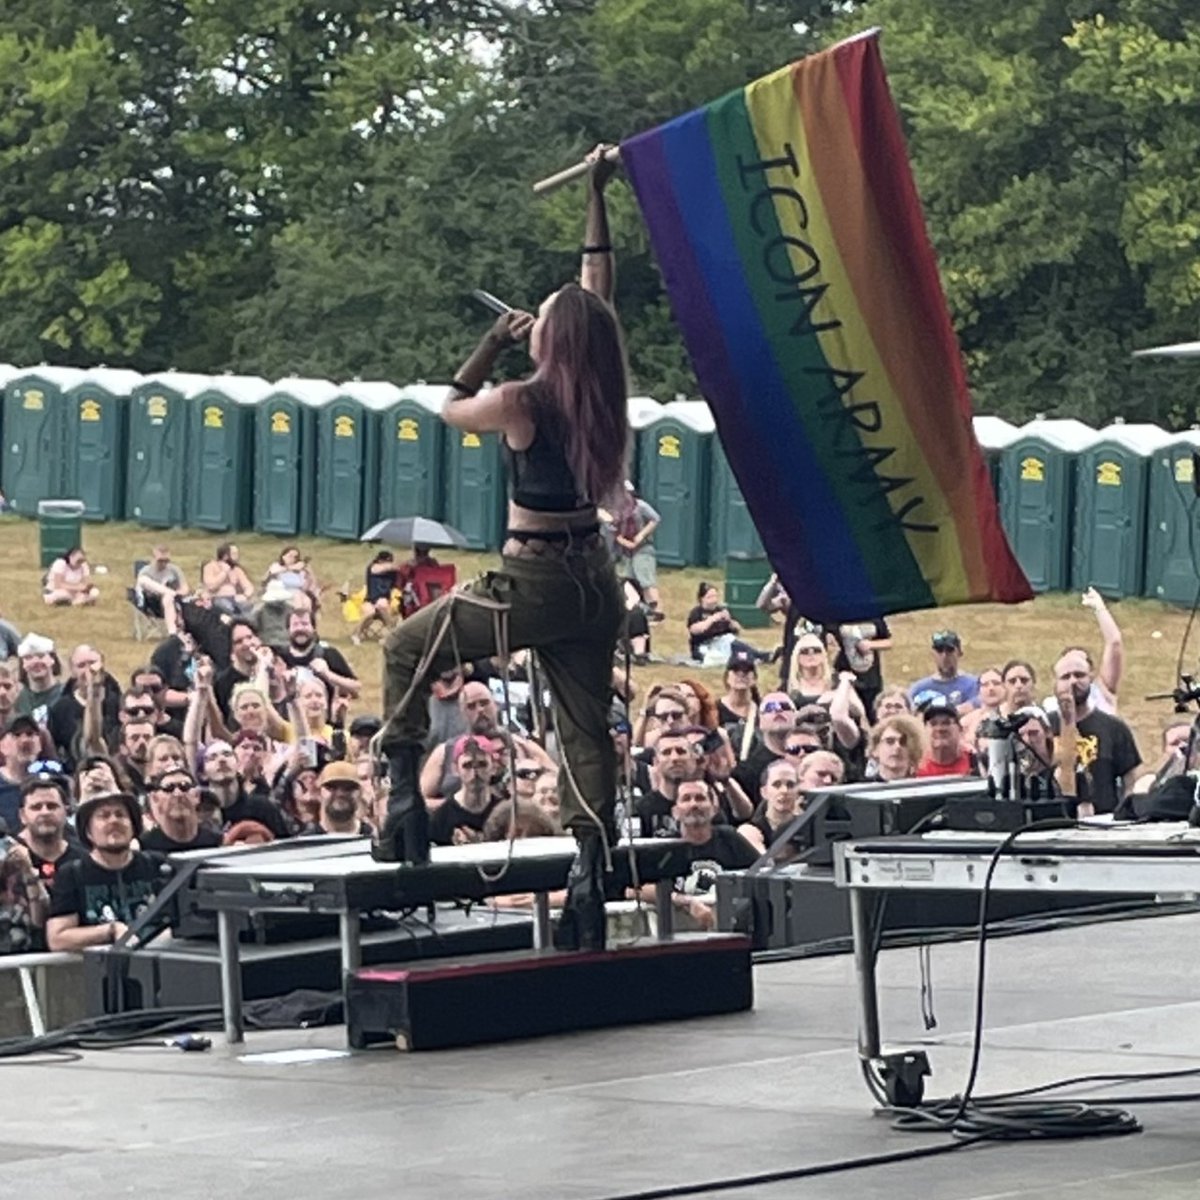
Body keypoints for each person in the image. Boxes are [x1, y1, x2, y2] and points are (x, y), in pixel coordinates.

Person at [376, 148, 628, 954]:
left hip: (533, 579)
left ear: (547, 338)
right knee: (585, 732)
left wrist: (491, 341)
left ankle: (402, 798)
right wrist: (595, 195)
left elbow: (450, 407)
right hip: (596, 579)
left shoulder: (523, 399)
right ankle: (591, 867)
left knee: (406, 647)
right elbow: (596, 284)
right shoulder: (604, 385)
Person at [46, 792, 165, 950]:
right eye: (104, 816)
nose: (114, 821)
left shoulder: (157, 865)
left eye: (120, 815)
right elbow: (57, 939)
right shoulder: (72, 874)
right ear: (88, 832)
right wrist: (111, 931)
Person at [1049, 649, 1140, 814]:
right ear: (1055, 682)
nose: (1073, 681)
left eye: (1079, 675)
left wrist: (1125, 814)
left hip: (1103, 821)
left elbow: (1131, 782)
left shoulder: (1114, 728)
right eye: (1065, 677)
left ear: (1091, 677)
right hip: (1054, 819)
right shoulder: (1044, 727)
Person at [429, 736, 506, 846]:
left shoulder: (504, 812)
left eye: (482, 764)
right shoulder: (442, 817)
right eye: (467, 765)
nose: (475, 772)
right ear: (455, 769)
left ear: (494, 767)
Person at [609, 481, 663, 620]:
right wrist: (625, 542)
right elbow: (613, 529)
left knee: (646, 580)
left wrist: (641, 535)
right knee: (630, 581)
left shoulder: (640, 506)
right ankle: (642, 610)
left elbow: (655, 518)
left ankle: (658, 611)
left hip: (643, 548)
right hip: (625, 551)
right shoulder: (615, 510)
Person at [18, 775, 83, 888]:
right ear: (22, 815)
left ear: (66, 812)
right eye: (36, 807)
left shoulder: (83, 858)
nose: (45, 812)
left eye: (52, 806)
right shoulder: (7, 859)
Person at [141, 768, 223, 853]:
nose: (178, 794)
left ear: (197, 795)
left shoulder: (217, 842)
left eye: (185, 787)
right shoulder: (142, 847)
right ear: (155, 799)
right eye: (168, 788)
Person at [738, 758, 801, 854]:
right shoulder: (751, 830)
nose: (784, 791)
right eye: (776, 785)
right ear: (764, 792)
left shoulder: (807, 826)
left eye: (790, 785)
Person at [908, 630, 979, 713]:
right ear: (933, 654)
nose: (944, 656)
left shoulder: (975, 685)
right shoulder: (918, 689)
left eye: (949, 650)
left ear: (959, 653)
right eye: (939, 650)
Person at [915, 698, 978, 778]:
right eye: (933, 723)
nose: (939, 729)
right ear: (924, 729)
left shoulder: (976, 763)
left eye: (946, 723)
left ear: (960, 729)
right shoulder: (915, 767)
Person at [309, 761, 372, 837]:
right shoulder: (306, 841)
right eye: (331, 787)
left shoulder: (372, 837)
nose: (340, 794)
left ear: (360, 793)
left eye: (349, 788)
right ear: (319, 793)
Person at [686, 582, 741, 664]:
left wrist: (729, 620)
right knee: (711, 658)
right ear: (702, 599)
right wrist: (712, 619)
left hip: (722, 642)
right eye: (710, 597)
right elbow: (694, 630)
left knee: (741, 648)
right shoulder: (697, 612)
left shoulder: (721, 610)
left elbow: (737, 628)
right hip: (703, 645)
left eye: (715, 596)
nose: (714, 600)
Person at [14, 633, 64, 722]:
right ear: (23, 664)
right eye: (29, 658)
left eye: (41, 656)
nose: (36, 662)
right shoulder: (18, 700)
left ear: (52, 659)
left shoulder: (65, 694)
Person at [352, 550, 399, 644]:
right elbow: (379, 569)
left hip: (385, 602)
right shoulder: (372, 568)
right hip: (369, 600)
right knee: (370, 612)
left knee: (382, 604)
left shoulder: (393, 574)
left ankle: (391, 635)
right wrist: (394, 566)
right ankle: (356, 634)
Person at [201, 543, 255, 614]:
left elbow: (249, 587)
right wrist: (224, 572)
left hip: (234, 599)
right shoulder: (210, 566)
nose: (237, 556)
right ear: (225, 556)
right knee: (225, 606)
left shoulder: (236, 569)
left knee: (248, 606)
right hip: (215, 599)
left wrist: (245, 596)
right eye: (234, 554)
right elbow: (211, 586)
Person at [135, 545, 188, 617]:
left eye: (166, 561)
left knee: (168, 597)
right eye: (160, 561)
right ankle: (168, 592)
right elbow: (139, 592)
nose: (164, 564)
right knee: (143, 580)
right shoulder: (145, 572)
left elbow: (185, 589)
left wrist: (177, 594)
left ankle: (169, 593)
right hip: (153, 603)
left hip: (172, 602)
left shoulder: (175, 570)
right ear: (153, 559)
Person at [866, 715, 923, 781]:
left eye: (903, 742)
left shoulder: (924, 785)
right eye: (890, 741)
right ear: (875, 749)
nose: (897, 746)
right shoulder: (862, 786)